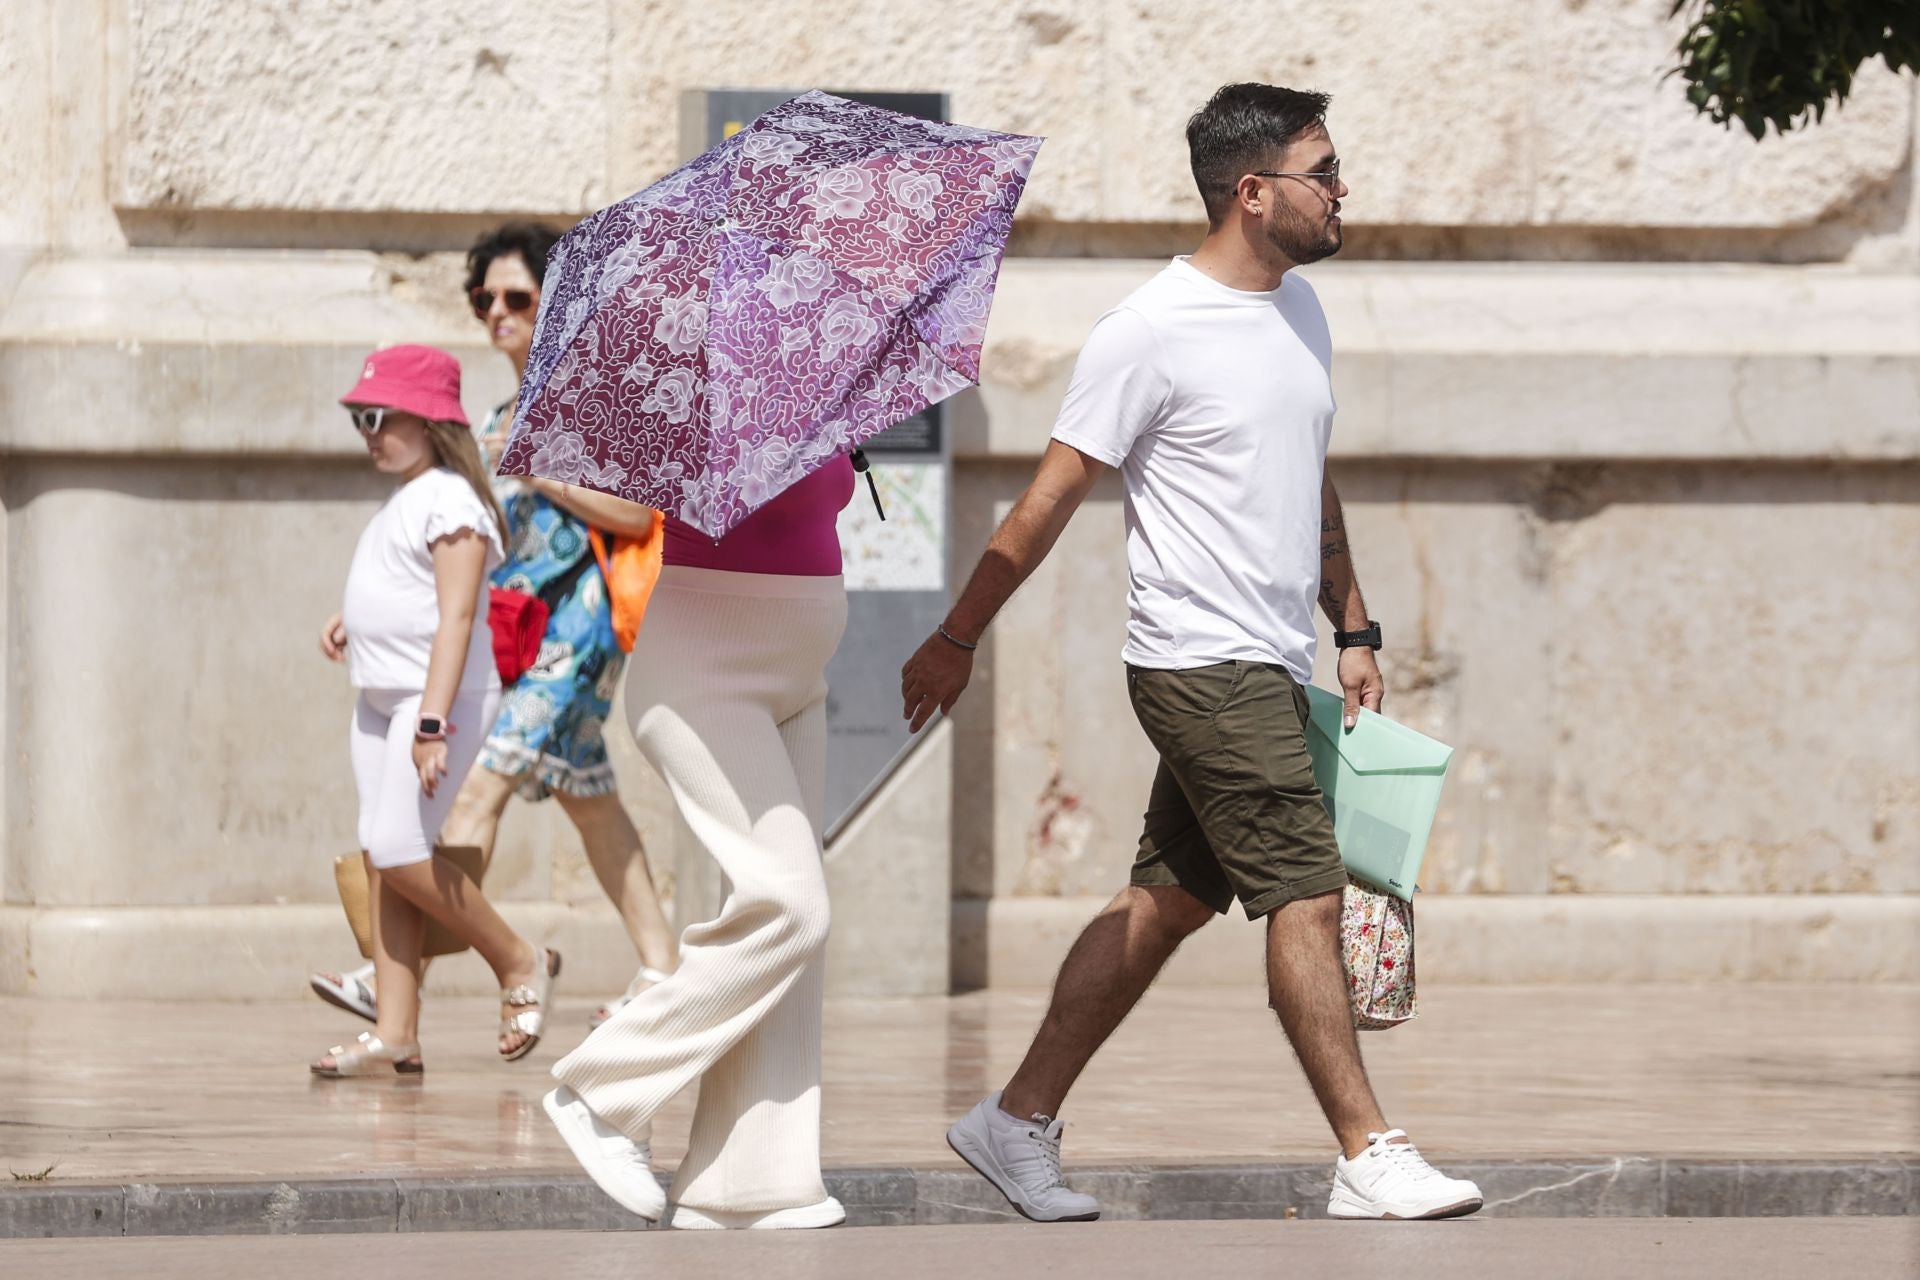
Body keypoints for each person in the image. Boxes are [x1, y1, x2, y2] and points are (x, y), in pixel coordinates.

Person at [899, 84, 1484, 1222]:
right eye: (1324, 169)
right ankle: (1368, 1150)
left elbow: (1310, 478)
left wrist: (1351, 624)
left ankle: (1011, 1119)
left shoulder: (1300, 313)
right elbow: (1048, 500)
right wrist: (956, 634)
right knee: (1306, 893)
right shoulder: (1148, 330)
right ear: (1253, 192)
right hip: (1198, 661)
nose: (1343, 187)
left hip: (1269, 658)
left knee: (1162, 904)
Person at [309, 223, 677, 1032]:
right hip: (521, 635)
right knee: (592, 804)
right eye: (485, 299)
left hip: (577, 633)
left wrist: (540, 466)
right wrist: (372, 608)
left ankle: (396, 977)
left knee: (471, 792)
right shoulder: (498, 412)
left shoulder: (591, 399)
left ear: (557, 303)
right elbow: (467, 540)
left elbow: (637, 510)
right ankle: (665, 970)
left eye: (518, 297)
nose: (498, 312)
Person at [538, 455, 857, 1230]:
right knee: (790, 907)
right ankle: (599, 1091)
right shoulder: (705, 362)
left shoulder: (819, 365)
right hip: (702, 672)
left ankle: (752, 1183)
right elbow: (630, 501)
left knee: (793, 947)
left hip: (797, 675)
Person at [313, 344, 560, 1076]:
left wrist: (431, 724)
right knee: (383, 855)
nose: (368, 431)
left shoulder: (454, 498)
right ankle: (396, 1031)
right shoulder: (412, 496)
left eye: (379, 416)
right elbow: (412, 596)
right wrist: (355, 618)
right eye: (360, 417)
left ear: (429, 421)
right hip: (382, 695)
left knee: (397, 849)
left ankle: (518, 960)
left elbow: (457, 619)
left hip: (432, 703)